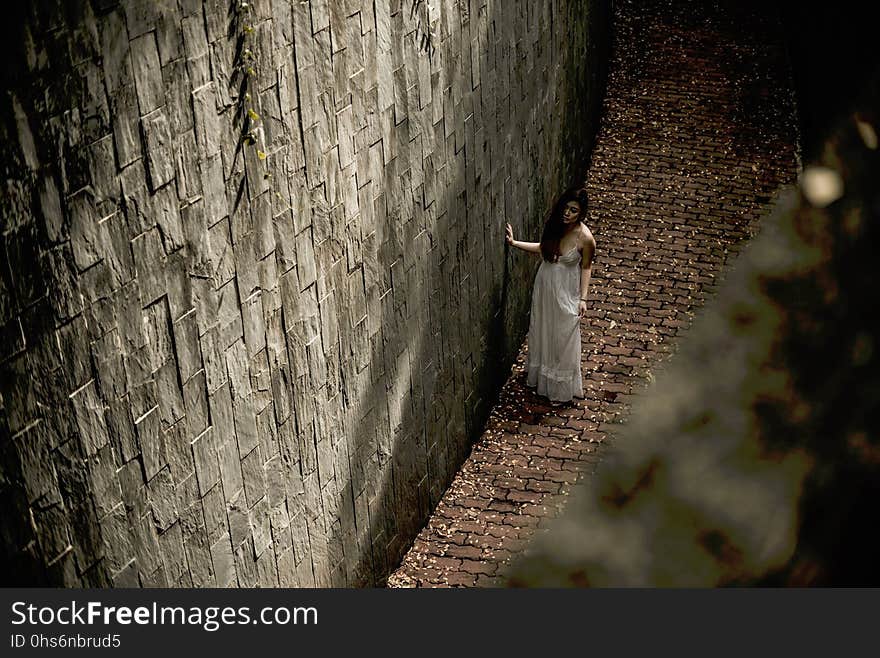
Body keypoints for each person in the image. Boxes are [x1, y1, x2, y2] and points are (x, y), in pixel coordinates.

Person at [506, 187, 596, 403]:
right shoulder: (556, 227)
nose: (567, 213)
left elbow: (586, 267)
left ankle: (560, 385)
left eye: (573, 210)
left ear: (581, 213)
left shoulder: (586, 239)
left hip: (566, 290)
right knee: (544, 328)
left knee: (564, 334)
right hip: (545, 285)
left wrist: (583, 299)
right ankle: (542, 376)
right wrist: (514, 243)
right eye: (565, 208)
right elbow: (543, 248)